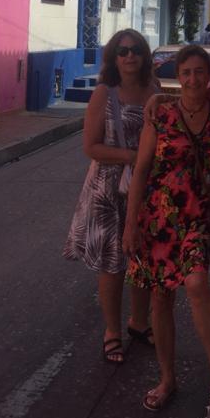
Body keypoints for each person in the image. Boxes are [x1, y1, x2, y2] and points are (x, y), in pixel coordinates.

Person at [123, 45, 210, 412]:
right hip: (157, 218)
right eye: (187, 72)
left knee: (196, 283)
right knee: (161, 298)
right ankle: (166, 378)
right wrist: (131, 223)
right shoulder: (161, 114)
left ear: (209, 75)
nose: (194, 79)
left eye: (200, 71)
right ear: (178, 76)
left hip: (197, 216)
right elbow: (142, 170)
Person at [63, 30, 157, 364]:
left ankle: (140, 322)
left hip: (145, 189)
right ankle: (112, 330)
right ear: (114, 59)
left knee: (144, 259)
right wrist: (133, 157)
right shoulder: (104, 93)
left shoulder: (154, 92)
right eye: (122, 51)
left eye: (135, 51)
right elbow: (91, 147)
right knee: (112, 264)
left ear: (144, 55)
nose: (130, 56)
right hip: (108, 190)